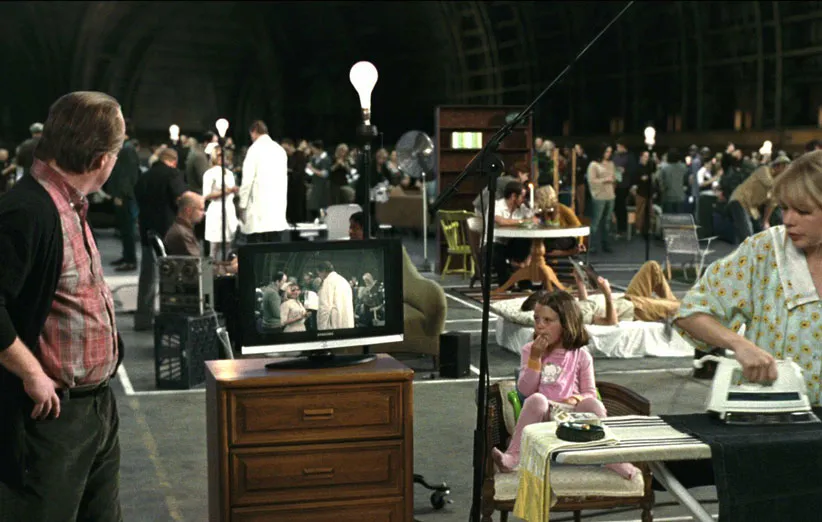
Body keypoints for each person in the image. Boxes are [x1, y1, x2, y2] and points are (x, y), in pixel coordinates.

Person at [0, 91, 125, 520]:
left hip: (96, 405)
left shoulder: (69, 203)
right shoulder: (28, 210)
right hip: (51, 417)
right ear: (102, 159)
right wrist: (32, 373)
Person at [674, 150, 822, 393]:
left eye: (803, 211)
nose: (788, 220)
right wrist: (739, 344)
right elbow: (689, 312)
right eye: (784, 208)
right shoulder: (762, 252)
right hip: (771, 411)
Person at [491, 291, 638, 480]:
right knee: (536, 399)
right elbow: (525, 390)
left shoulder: (581, 355)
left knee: (593, 404)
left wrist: (577, 399)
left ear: (566, 324)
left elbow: (590, 392)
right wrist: (535, 358)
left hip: (573, 416)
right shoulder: (530, 351)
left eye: (547, 320)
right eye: (536, 319)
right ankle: (513, 457)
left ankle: (610, 456)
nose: (539, 325)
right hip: (544, 414)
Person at [238, 120, 289, 243]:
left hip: (258, 211)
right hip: (277, 210)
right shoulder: (280, 150)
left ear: (254, 132)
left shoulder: (254, 150)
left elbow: (247, 181)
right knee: (274, 248)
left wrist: (242, 205)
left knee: (257, 248)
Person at [727, 154, 790, 243]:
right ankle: (746, 250)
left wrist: (765, 221)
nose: (786, 171)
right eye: (784, 167)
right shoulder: (764, 170)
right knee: (747, 234)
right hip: (740, 200)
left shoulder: (777, 183)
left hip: (752, 208)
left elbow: (771, 204)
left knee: (761, 232)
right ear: (777, 166)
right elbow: (770, 183)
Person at [202, 144, 239, 260]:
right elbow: (206, 195)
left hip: (229, 209)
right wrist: (224, 191)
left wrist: (234, 191)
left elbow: (233, 192)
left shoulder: (229, 173)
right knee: (214, 246)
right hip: (216, 209)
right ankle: (212, 269)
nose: (221, 158)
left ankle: (226, 268)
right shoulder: (209, 174)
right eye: (218, 155)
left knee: (228, 244)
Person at [586, 143, 617, 254]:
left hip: (610, 195)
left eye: (610, 152)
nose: (608, 154)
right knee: (596, 221)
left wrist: (614, 180)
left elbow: (613, 177)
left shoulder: (611, 164)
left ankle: (606, 244)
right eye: (606, 151)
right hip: (599, 196)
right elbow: (591, 180)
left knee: (607, 221)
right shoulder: (594, 165)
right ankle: (592, 245)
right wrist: (605, 180)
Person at [164, 192, 205, 257]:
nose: (203, 213)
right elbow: (196, 260)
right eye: (201, 209)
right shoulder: (182, 234)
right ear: (188, 210)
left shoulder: (182, 229)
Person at [316, 260, 355, 330]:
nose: (319, 276)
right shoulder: (344, 280)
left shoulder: (328, 282)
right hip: (347, 323)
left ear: (323, 271)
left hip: (335, 325)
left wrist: (321, 328)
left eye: (319, 273)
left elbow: (324, 307)